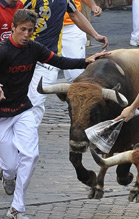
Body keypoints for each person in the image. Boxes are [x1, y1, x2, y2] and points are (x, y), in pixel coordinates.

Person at [0, 9, 109, 219]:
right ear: (13, 28)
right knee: (10, 166)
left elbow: (59, 61)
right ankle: (7, 175)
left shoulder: (34, 48)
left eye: (30, 31)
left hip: (23, 110)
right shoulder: (3, 51)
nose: (26, 35)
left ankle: (16, 209)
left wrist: (87, 61)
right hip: (1, 116)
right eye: (22, 29)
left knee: (31, 156)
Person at [21, 0, 108, 127]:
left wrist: (95, 34)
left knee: (36, 101)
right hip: (24, 56)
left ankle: (26, 136)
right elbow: (14, 18)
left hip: (48, 60)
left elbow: (75, 14)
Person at [62, 0, 103, 82]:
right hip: (44, 28)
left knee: (76, 75)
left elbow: (74, 15)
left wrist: (93, 6)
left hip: (71, 27)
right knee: (45, 73)